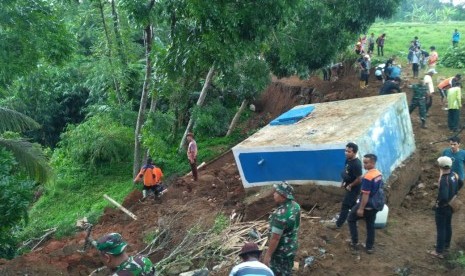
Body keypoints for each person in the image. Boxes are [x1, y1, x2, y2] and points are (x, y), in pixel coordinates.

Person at [427, 157, 463, 259]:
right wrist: (454, 192)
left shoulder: (444, 179)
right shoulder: (454, 175)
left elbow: (443, 196)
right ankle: (446, 245)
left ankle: (438, 251)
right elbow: (461, 183)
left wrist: (439, 204)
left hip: (443, 208)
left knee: (441, 229)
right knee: (448, 225)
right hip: (451, 205)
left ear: (440, 166)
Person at [263, 181, 301, 276]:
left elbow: (275, 238)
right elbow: (298, 224)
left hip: (281, 251)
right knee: (288, 265)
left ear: (283, 196)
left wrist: (268, 255)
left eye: (276, 192)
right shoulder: (295, 206)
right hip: (292, 245)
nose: (274, 194)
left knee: (280, 272)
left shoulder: (280, 215)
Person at [348, 154, 382, 254]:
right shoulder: (378, 174)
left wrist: (361, 208)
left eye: (366, 163)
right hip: (375, 204)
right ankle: (369, 247)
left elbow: (366, 194)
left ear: (373, 163)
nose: (364, 165)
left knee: (351, 219)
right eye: (364, 162)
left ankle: (354, 242)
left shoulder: (368, 177)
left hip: (367, 205)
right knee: (370, 225)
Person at [325, 143, 362, 229]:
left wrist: (351, 185)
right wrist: (343, 181)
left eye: (349, 151)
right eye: (345, 151)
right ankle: (356, 218)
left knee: (345, 204)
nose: (346, 153)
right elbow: (346, 171)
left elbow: (359, 179)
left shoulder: (357, 164)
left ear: (354, 152)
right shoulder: (348, 160)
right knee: (352, 203)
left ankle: (338, 224)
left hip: (354, 188)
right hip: (348, 185)